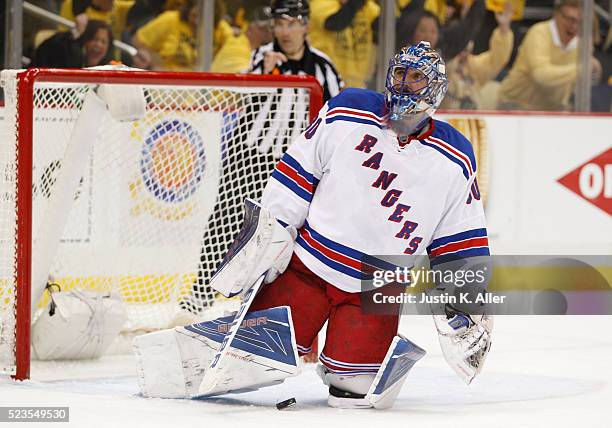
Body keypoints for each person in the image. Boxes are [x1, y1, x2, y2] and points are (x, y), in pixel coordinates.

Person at [136, 41, 493, 409]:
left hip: (375, 291)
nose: (404, 84)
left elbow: (460, 240)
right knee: (245, 360)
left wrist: (465, 303)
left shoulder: (456, 156)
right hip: (309, 268)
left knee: (355, 389)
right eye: (400, 73)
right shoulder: (349, 109)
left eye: (416, 77)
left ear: (434, 88)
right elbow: (297, 175)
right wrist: (273, 236)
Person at [497, 0, 602, 111]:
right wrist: (582, 68)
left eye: (580, 22)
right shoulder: (539, 32)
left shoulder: (583, 43)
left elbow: (581, 83)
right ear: (557, 15)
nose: (574, 26)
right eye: (571, 19)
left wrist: (592, 70)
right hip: (515, 103)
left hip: (553, 108)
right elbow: (541, 75)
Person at [250, 0, 345, 101]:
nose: (285, 32)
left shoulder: (323, 65)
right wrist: (264, 75)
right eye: (279, 24)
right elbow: (243, 104)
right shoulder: (259, 57)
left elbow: (334, 109)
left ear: (306, 27)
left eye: (291, 24)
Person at [440, 1, 514, 109]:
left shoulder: (473, 65)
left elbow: (497, 58)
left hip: (474, 121)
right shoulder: (438, 65)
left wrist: (504, 29)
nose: (464, 48)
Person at [131, 0, 232, 71]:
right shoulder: (170, 19)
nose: (196, 22)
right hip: (167, 80)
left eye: (202, 19)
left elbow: (235, 44)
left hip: (204, 84)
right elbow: (138, 40)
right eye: (194, 16)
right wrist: (154, 62)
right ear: (188, 10)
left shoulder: (221, 28)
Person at [308, 0, 380, 88]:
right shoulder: (321, 3)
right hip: (327, 80)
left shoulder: (367, 6)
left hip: (357, 83)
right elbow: (335, 23)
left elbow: (383, 27)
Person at [210, 3, 273, 73]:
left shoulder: (261, 51)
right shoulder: (236, 46)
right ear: (249, 28)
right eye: (264, 29)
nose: (270, 33)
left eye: (272, 28)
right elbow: (240, 76)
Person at [32, 19, 114, 68]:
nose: (99, 45)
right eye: (95, 39)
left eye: (104, 42)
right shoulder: (68, 51)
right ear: (85, 38)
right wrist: (74, 33)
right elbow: (53, 45)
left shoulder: (105, 67)